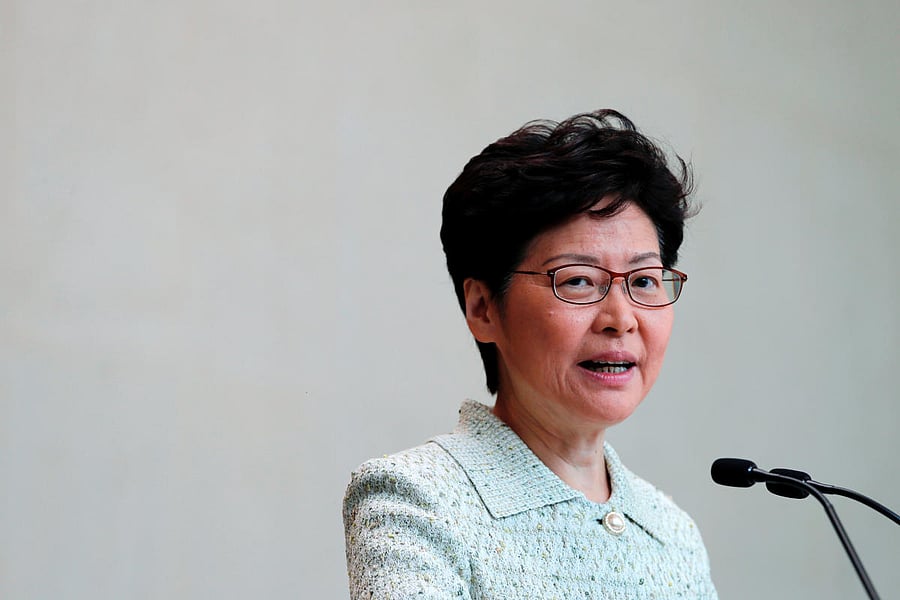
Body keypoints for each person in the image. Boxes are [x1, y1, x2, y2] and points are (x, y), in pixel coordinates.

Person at [343, 110, 718, 599]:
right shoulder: (415, 500)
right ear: (483, 309)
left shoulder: (672, 534)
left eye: (644, 281)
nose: (621, 318)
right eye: (579, 280)